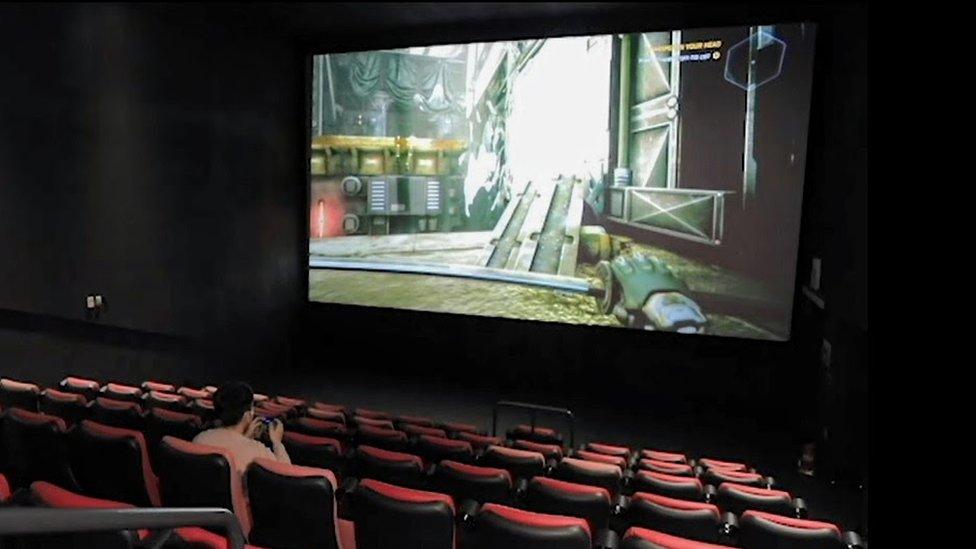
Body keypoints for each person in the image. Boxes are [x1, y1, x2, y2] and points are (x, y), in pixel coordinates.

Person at [193, 381, 290, 473]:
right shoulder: (258, 451)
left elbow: (230, 447)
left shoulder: (200, 438)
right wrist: (277, 443)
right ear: (247, 415)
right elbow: (285, 474)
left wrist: (245, 437)